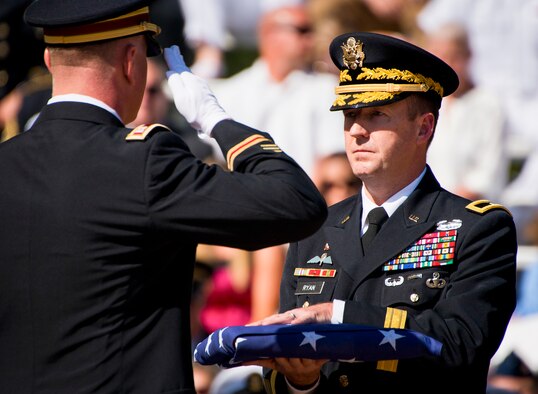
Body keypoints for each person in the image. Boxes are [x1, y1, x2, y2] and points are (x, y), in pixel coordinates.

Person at [0, 1, 328, 393]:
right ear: (131, 59)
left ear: (50, 60)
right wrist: (216, 120)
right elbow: (297, 202)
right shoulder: (143, 161)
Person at [249, 32, 518, 393]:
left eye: (376, 114)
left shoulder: (477, 227)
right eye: (350, 115)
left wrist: (339, 317)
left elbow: (462, 343)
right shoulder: (317, 228)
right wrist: (302, 380)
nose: (357, 130)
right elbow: (279, 374)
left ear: (424, 127)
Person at [209, 4, 343, 176]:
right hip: (246, 198)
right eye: (302, 30)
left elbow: (331, 162)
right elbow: (219, 160)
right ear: (269, 34)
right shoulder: (231, 92)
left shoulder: (325, 88)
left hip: (308, 199)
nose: (312, 39)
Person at [423, 23, 509, 201]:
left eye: (454, 57)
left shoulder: (488, 104)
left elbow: (488, 171)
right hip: (425, 208)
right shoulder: (425, 103)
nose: (448, 64)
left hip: (473, 211)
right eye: (441, 56)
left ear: (468, 56)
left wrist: (449, 205)